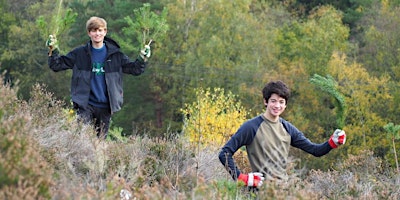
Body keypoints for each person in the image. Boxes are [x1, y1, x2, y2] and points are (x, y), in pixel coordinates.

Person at [218, 80, 346, 188]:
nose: (277, 105)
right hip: (260, 193)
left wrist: (332, 143)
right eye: (273, 101)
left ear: (285, 105)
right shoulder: (251, 127)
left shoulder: (287, 128)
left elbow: (315, 150)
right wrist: (241, 177)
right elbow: (224, 153)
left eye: (281, 102)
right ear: (265, 101)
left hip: (283, 192)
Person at [47, 16, 151, 139]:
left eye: (100, 30)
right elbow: (57, 65)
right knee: (82, 138)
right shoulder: (79, 54)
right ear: (89, 33)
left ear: (105, 32)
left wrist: (142, 58)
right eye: (94, 31)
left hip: (106, 106)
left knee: (100, 141)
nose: (97, 33)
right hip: (85, 104)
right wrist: (53, 50)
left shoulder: (116, 55)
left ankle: (97, 159)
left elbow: (135, 69)